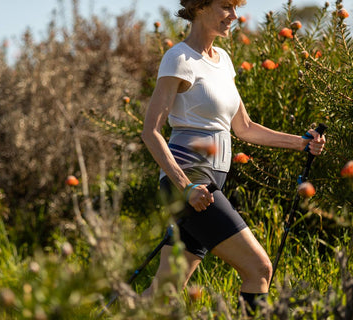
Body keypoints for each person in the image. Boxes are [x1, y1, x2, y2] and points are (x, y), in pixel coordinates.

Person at [140, 0, 326, 314]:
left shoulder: (223, 60)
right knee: (259, 268)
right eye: (226, 5)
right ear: (199, 7)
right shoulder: (179, 59)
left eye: (235, 7)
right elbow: (151, 131)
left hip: (208, 184)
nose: (234, 16)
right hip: (191, 183)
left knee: (164, 290)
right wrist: (187, 187)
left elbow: (245, 128)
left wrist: (301, 143)